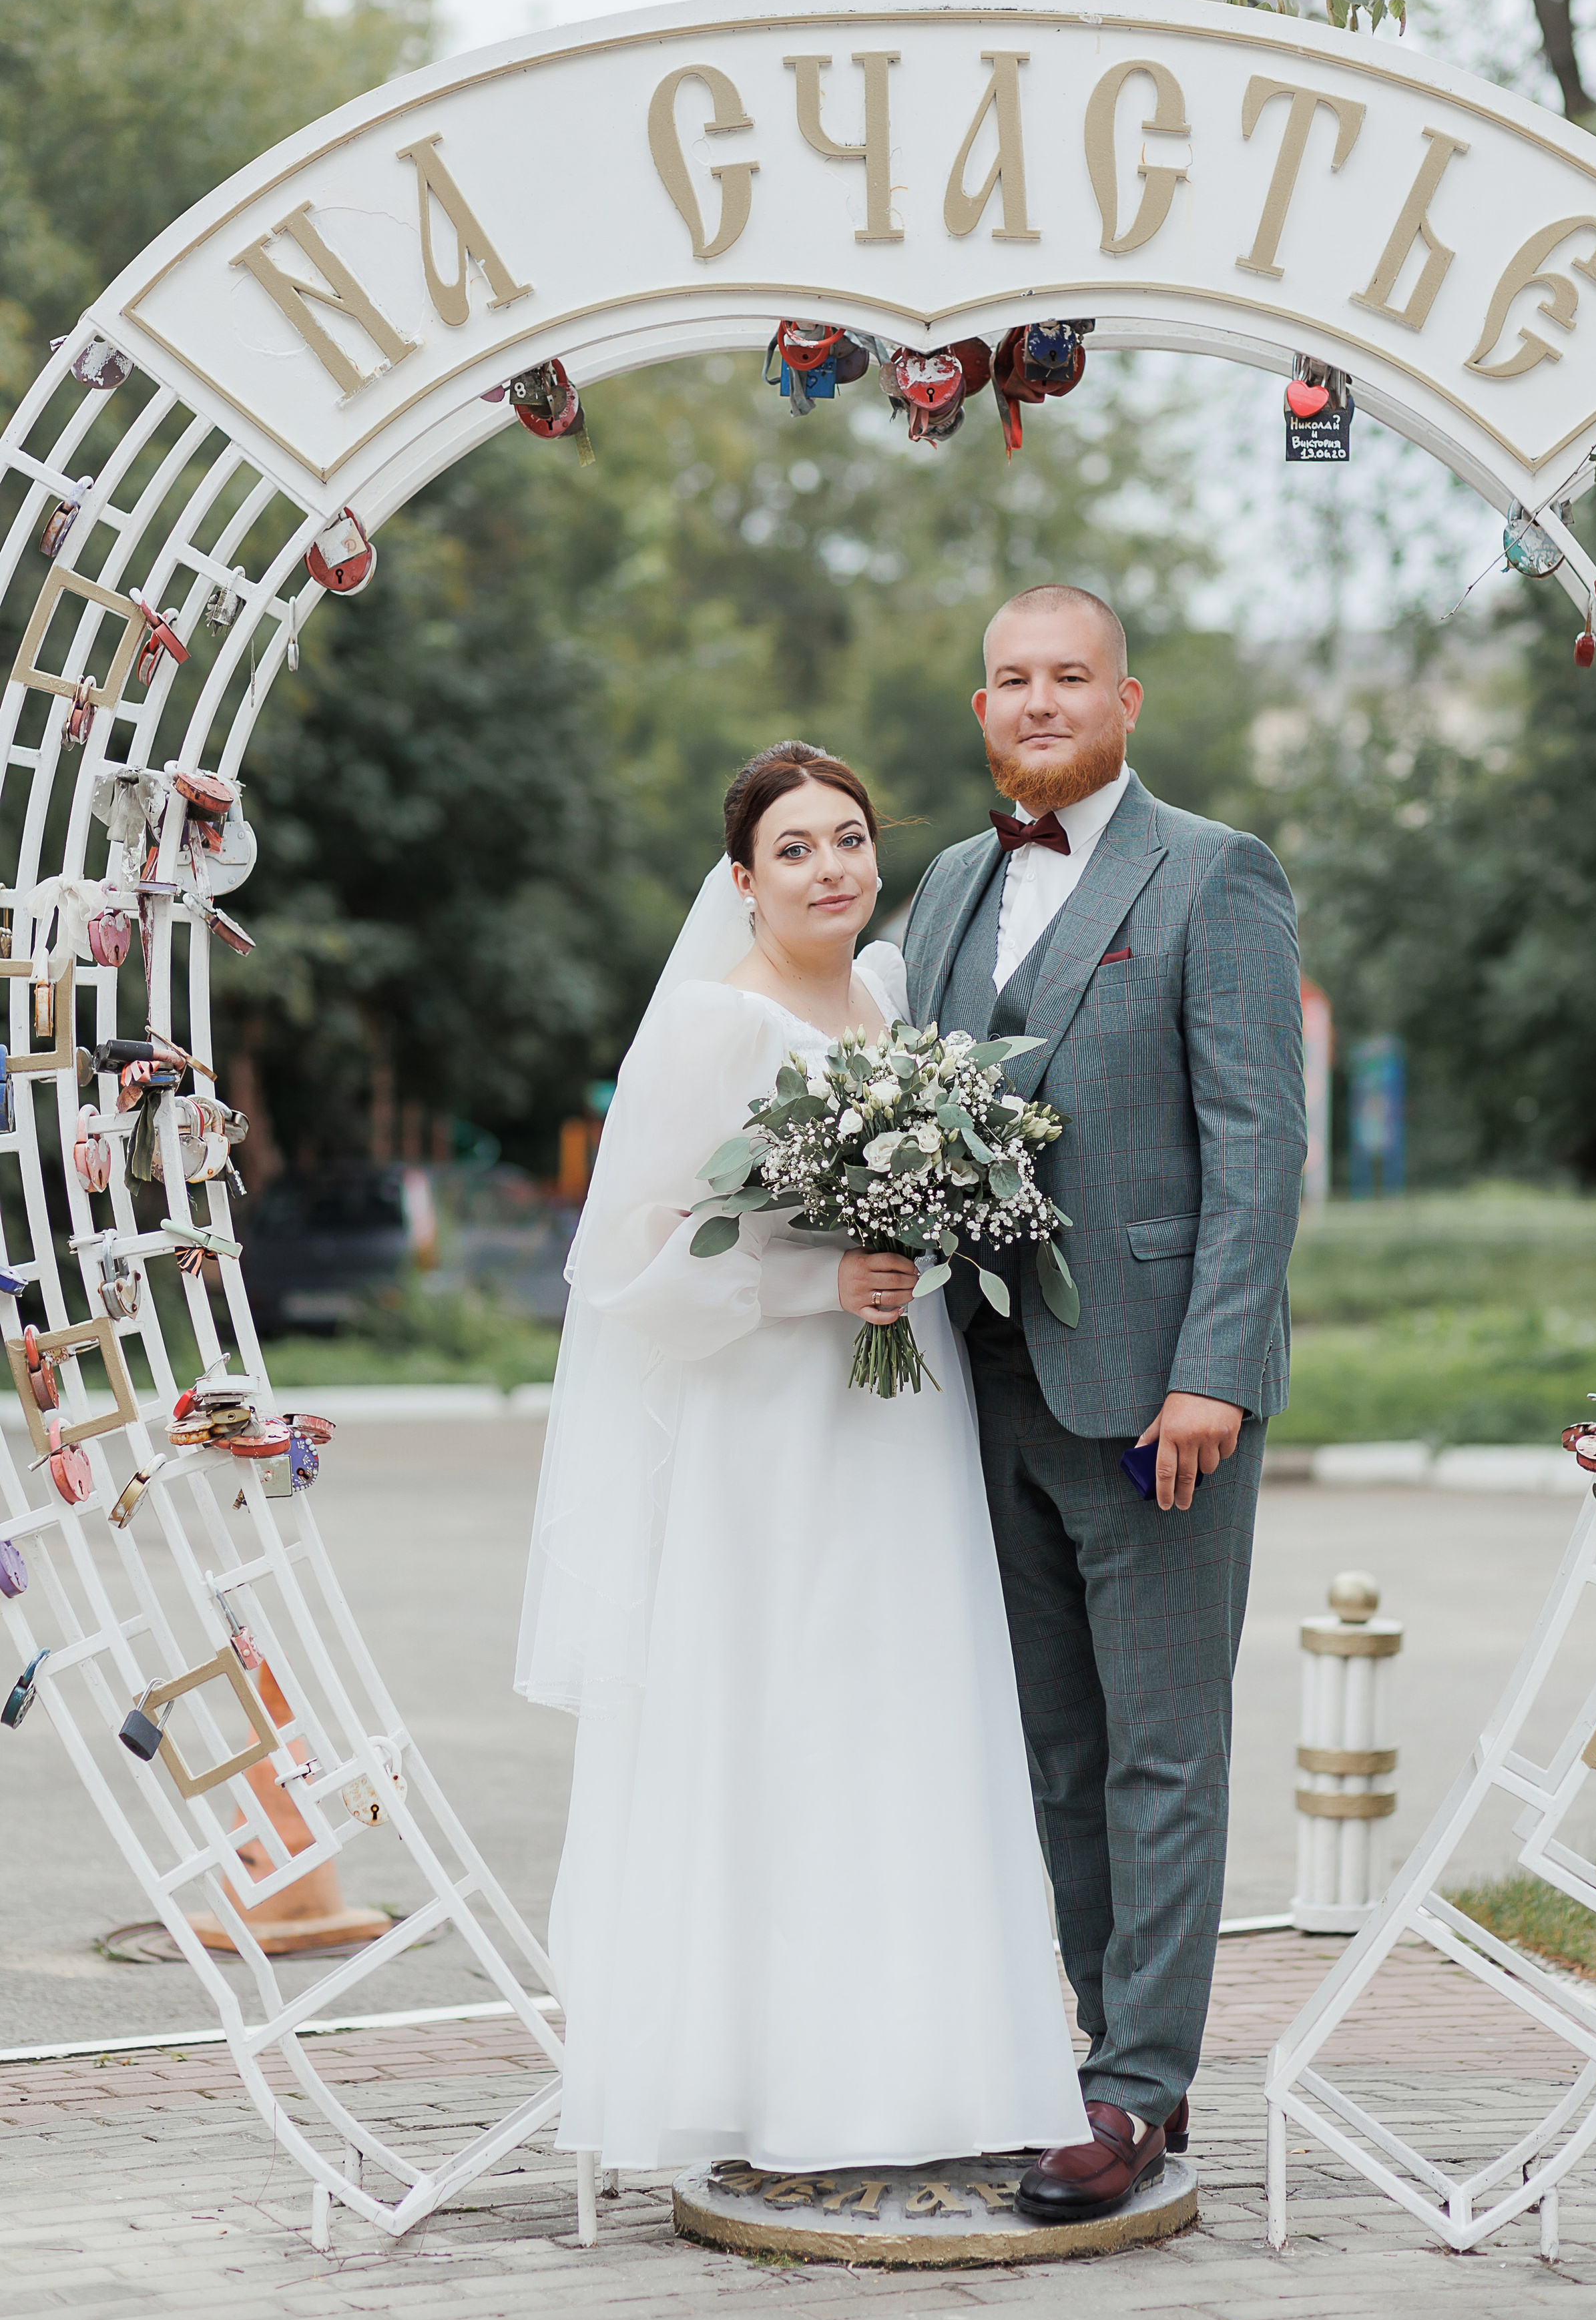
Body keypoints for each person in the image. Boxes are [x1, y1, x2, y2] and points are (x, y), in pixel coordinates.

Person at [516, 740, 1089, 2174]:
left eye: (847, 839)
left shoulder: (893, 992)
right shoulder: (713, 1026)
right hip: (770, 1423)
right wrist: (807, 1283)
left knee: (910, 1707)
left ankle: (928, 2075)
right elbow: (624, 1258)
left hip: (903, 1408)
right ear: (742, 878)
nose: (830, 868)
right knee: (792, 1713)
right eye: (794, 849)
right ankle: (779, 2082)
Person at [903, 584, 1305, 2224]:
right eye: (1012, 679)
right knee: (1052, 1754)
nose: (1039, 701)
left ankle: (1137, 2083)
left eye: (1069, 676)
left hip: (1154, 1396)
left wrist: (1212, 1368)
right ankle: (1100, 2043)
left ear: (1124, 701)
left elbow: (1259, 1142)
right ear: (980, 708)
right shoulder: (944, 882)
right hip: (977, 1384)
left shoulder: (1213, 872)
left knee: (1160, 1751)